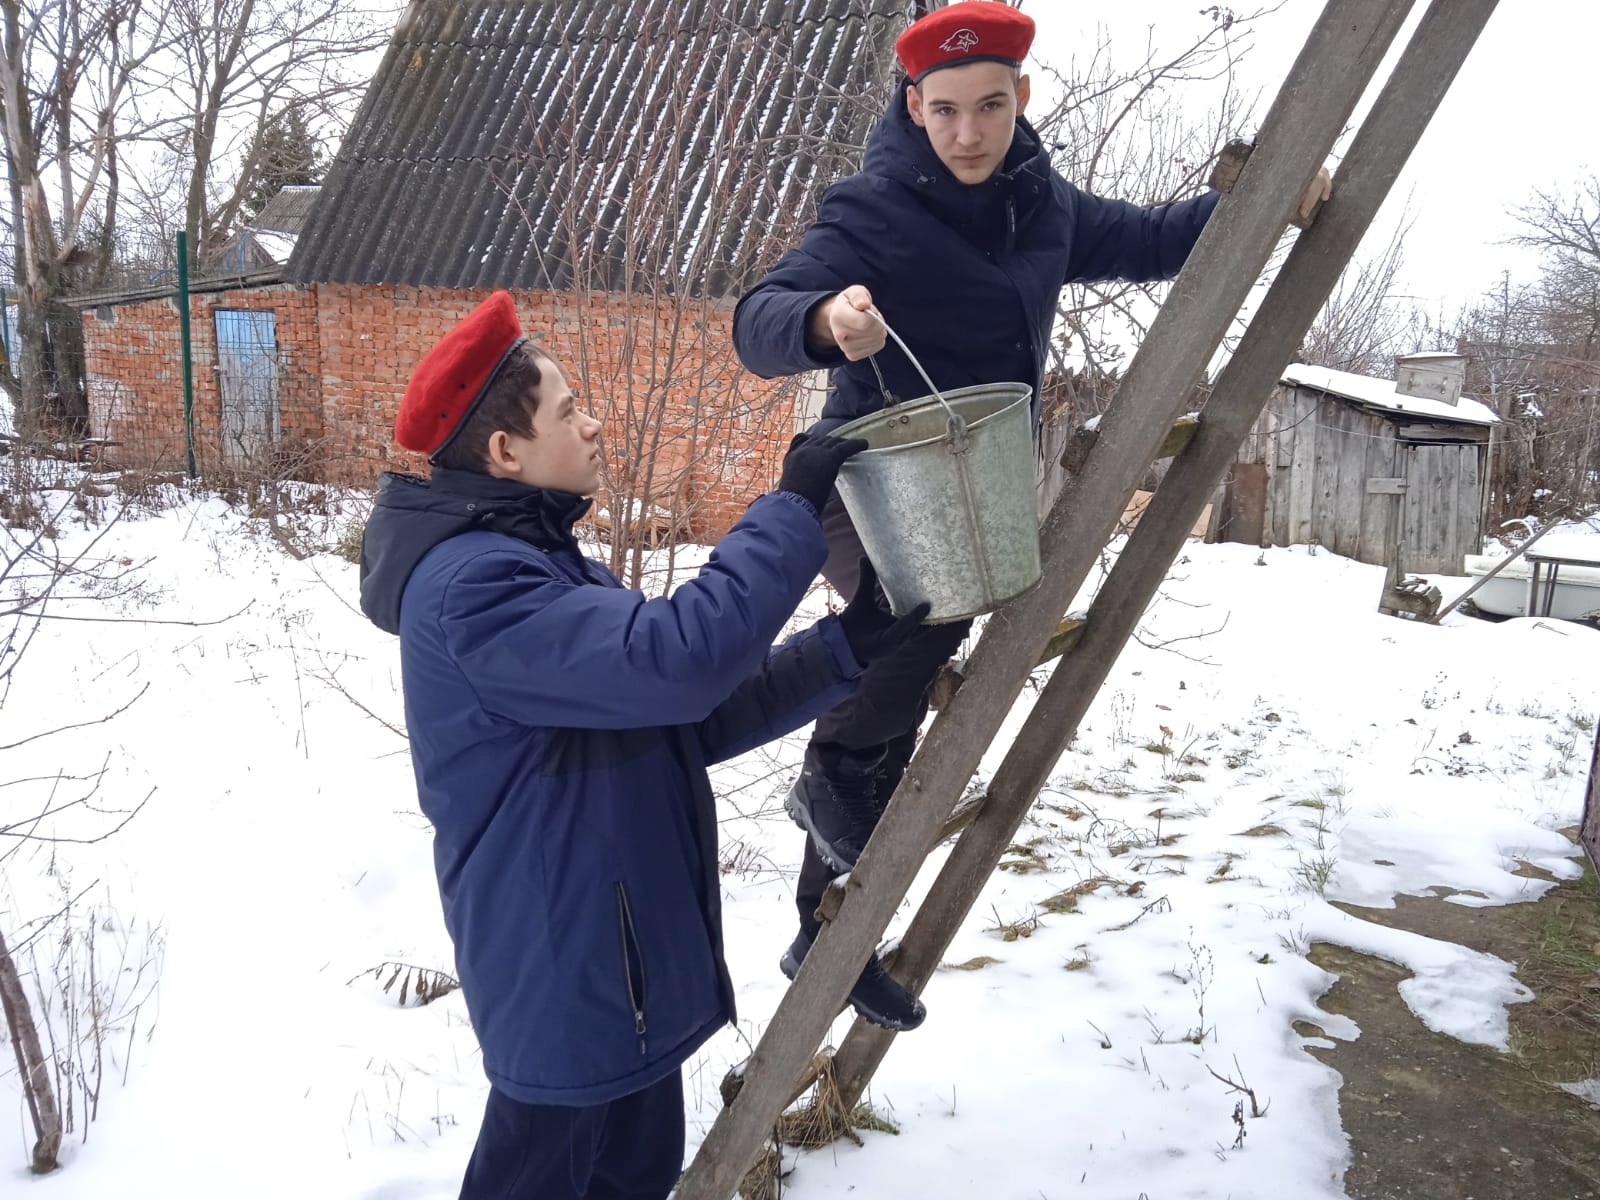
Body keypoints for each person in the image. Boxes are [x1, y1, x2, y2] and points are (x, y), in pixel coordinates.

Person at [733, 1, 1331, 1031]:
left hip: (962, 491)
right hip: (859, 483)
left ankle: (822, 914)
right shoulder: (868, 211)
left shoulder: (1039, 205)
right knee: (901, 636)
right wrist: (824, 322)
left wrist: (1269, 203)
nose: (967, 133)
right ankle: (830, 811)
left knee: (918, 647)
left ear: (1022, 98)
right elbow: (758, 322)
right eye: (946, 110)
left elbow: (1153, 241)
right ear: (912, 107)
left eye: (990, 107)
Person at [357, 290, 927, 1200]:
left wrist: (842, 648)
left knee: (635, 1178)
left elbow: (678, 719)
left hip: (618, 973)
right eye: (568, 409)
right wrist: (788, 512)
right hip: (567, 981)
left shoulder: (539, 562)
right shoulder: (476, 591)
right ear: (505, 452)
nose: (593, 424)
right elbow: (678, 662)